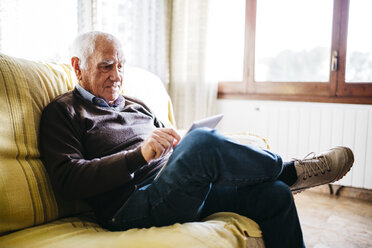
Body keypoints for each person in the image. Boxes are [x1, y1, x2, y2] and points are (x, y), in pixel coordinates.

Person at [39, 31, 354, 248]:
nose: (117, 75)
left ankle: (282, 179)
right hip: (130, 204)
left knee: (273, 195)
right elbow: (68, 179)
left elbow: (173, 145)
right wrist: (140, 155)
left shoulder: (136, 104)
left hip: (179, 188)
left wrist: (176, 143)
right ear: (78, 67)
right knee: (202, 142)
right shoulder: (63, 112)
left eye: (121, 66)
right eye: (107, 66)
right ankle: (290, 171)